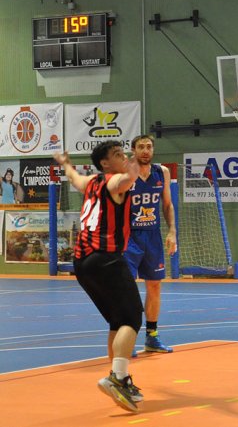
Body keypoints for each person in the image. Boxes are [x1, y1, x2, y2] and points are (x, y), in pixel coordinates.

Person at [53, 142, 144, 413]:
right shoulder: (113, 181)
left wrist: (65, 163)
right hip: (106, 258)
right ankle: (117, 377)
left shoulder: (90, 182)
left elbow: (73, 176)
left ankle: (121, 377)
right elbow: (128, 178)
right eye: (117, 155)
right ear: (105, 164)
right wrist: (135, 162)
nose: (122, 157)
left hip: (82, 263)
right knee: (132, 318)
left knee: (117, 320)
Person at [125, 135, 177, 354]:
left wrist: (172, 231)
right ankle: (125, 338)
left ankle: (152, 337)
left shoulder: (161, 172)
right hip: (128, 237)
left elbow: (167, 205)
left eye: (148, 147)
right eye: (140, 147)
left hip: (153, 236)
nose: (145, 151)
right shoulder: (125, 172)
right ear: (133, 150)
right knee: (126, 290)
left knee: (154, 285)